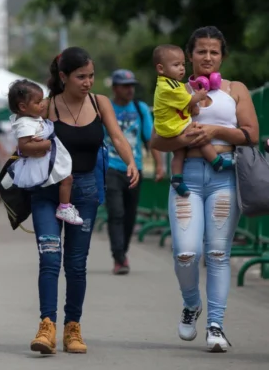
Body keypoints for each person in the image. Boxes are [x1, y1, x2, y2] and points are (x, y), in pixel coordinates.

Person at [149, 26, 259, 352]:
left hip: (225, 176)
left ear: (222, 55)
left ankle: (215, 325)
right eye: (201, 51)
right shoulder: (174, 89)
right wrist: (186, 139)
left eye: (214, 51)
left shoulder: (235, 89)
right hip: (188, 179)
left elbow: (251, 134)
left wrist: (212, 130)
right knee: (185, 253)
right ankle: (191, 303)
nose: (207, 57)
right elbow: (156, 138)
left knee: (217, 253)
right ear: (189, 56)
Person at [27, 47, 139, 355]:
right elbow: (25, 143)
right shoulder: (47, 107)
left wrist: (130, 162)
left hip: (86, 190)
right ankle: (46, 325)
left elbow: (116, 136)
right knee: (50, 258)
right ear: (63, 77)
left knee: (76, 265)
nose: (88, 82)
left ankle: (72, 327)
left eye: (91, 76)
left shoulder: (99, 103)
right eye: (81, 77)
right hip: (47, 193)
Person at [104, 69, 165, 275]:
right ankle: (119, 257)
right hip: (110, 167)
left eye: (132, 86)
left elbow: (151, 139)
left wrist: (159, 165)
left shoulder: (140, 109)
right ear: (115, 88)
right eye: (125, 86)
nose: (130, 90)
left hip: (134, 169)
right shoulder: (106, 109)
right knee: (116, 213)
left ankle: (122, 252)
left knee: (130, 215)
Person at [152, 44, 234, 197]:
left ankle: (176, 178)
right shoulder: (169, 86)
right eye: (176, 65)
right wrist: (200, 95)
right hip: (172, 126)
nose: (181, 69)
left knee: (179, 152)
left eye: (183, 65)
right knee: (199, 133)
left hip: (170, 124)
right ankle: (217, 162)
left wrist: (192, 106)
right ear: (161, 69)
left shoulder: (170, 83)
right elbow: (188, 100)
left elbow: (182, 104)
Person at [7, 79, 82, 225]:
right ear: (23, 107)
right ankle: (64, 207)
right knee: (67, 178)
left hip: (44, 159)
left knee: (66, 178)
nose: (42, 104)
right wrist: (46, 144)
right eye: (37, 102)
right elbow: (24, 146)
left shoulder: (33, 118)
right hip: (40, 162)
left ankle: (64, 206)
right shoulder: (25, 123)